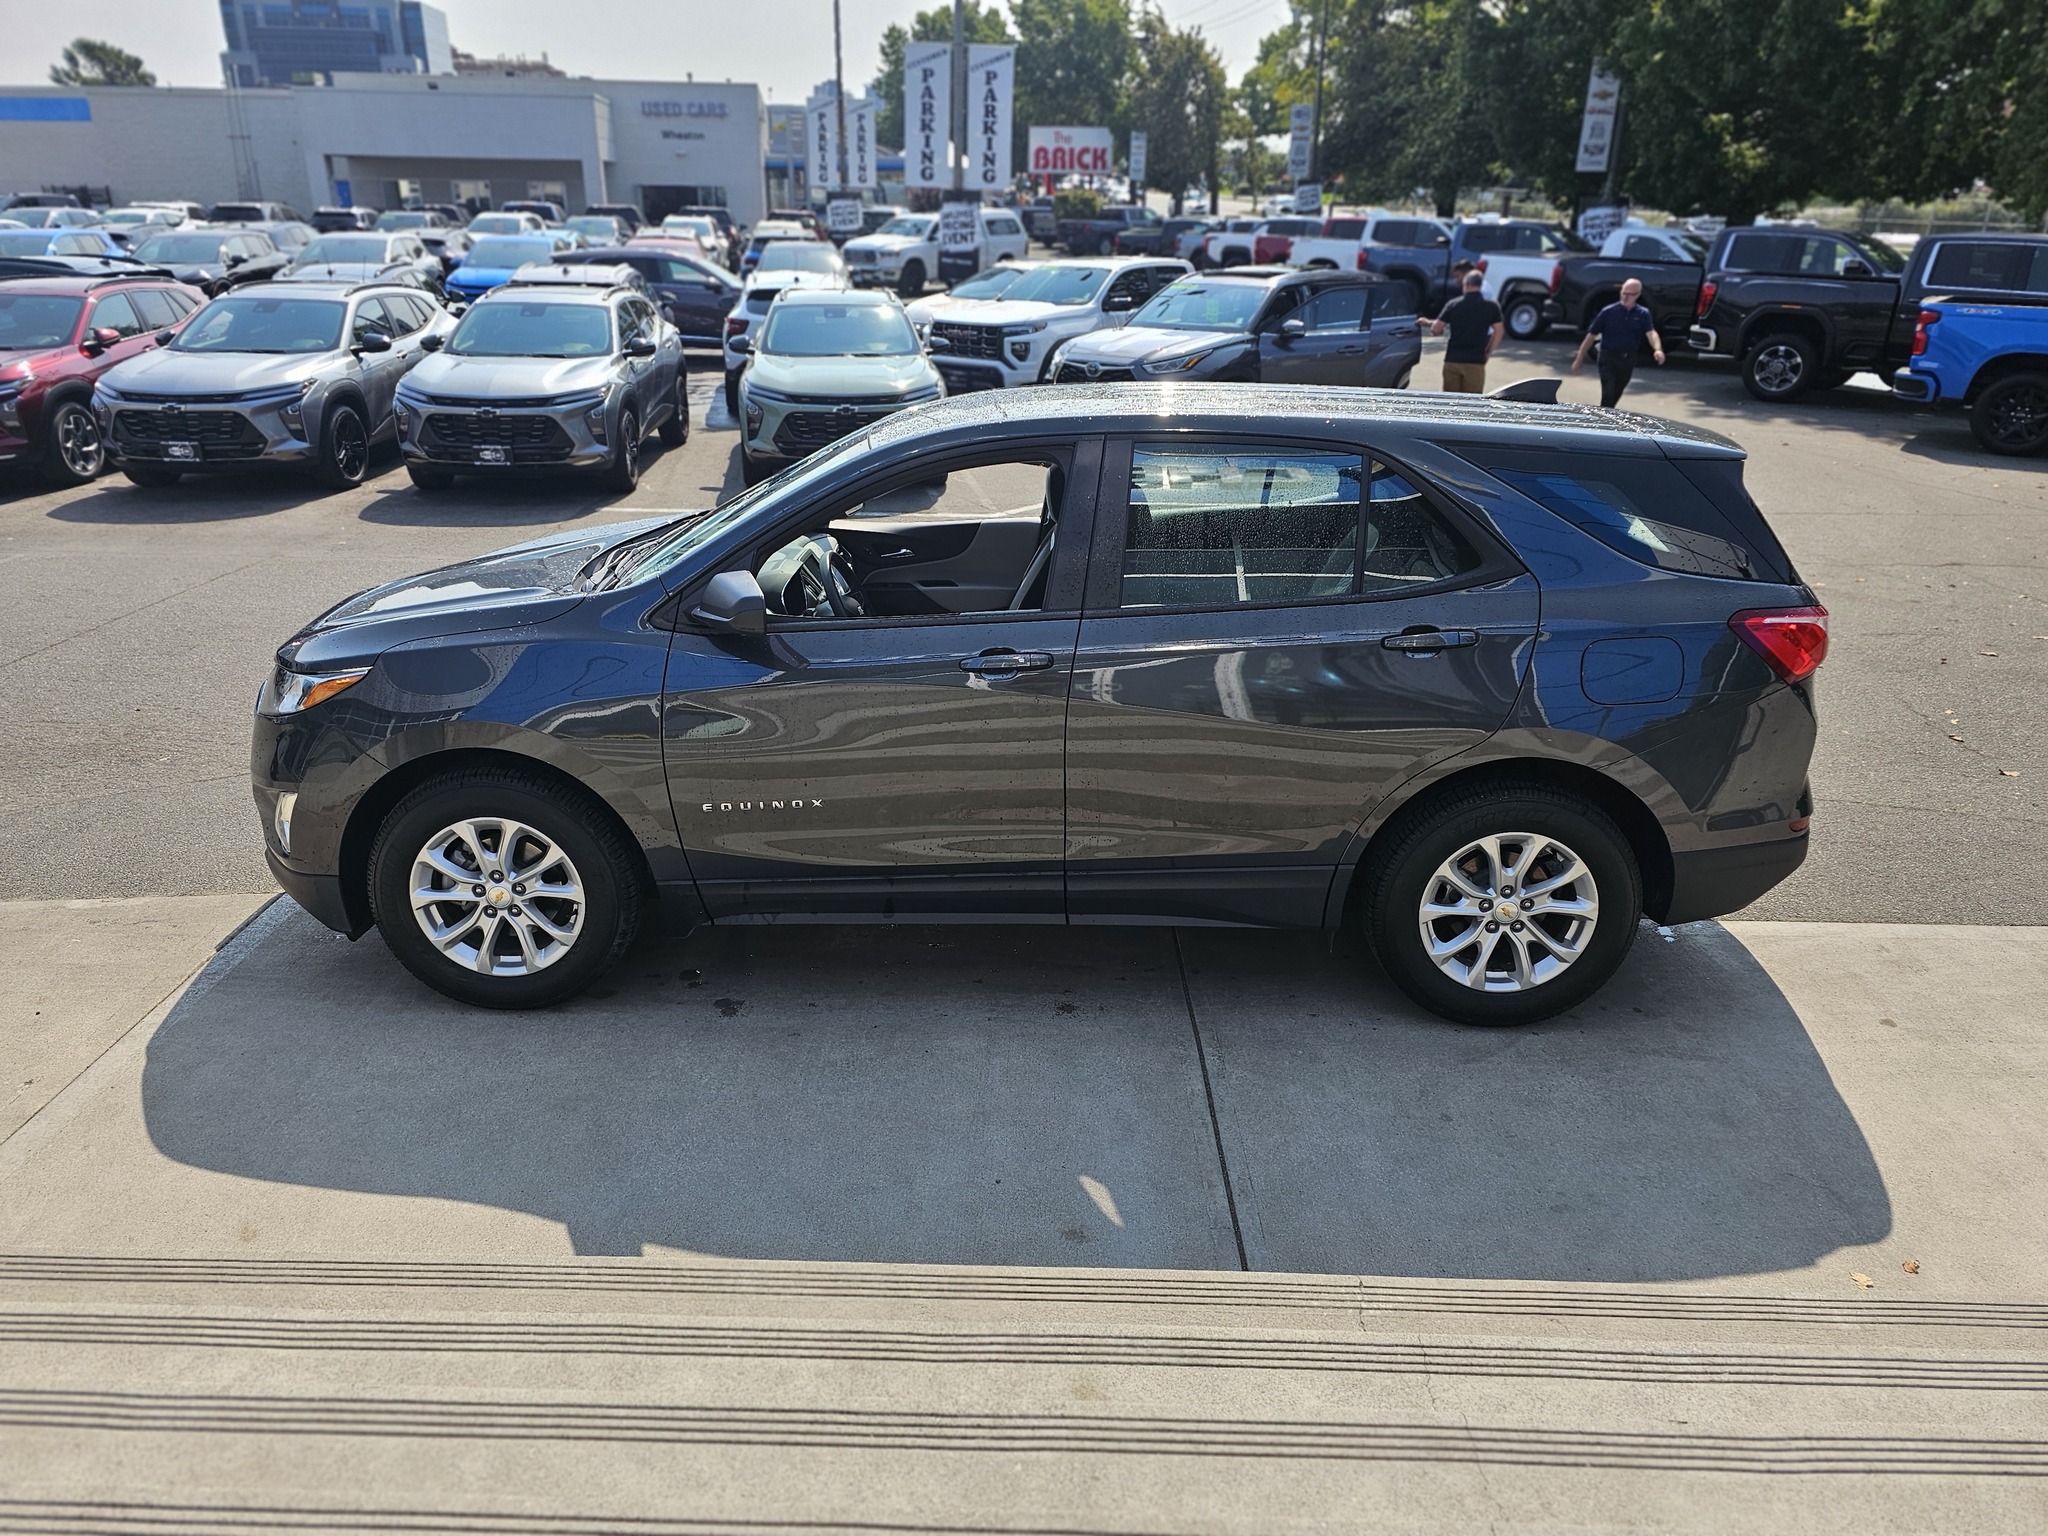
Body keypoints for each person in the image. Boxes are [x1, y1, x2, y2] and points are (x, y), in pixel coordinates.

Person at [1573, 277, 1666, 406]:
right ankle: (1603, 420)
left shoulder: (1643, 314)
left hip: (1628, 359)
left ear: (1638, 295)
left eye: (1630, 294)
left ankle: (1606, 416)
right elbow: (1591, 335)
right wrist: (1580, 357)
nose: (1625, 297)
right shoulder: (1608, 312)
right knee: (1608, 391)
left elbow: (1651, 333)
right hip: (1608, 357)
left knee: (1617, 391)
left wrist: (1658, 349)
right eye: (1623, 292)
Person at [1429, 269, 1503, 393]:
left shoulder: (1453, 304)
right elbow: (1499, 331)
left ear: (1467, 285)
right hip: (1476, 361)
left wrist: (1432, 327)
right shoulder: (1491, 307)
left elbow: (1437, 328)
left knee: (1450, 402)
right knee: (1472, 403)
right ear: (1479, 285)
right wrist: (1488, 351)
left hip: (1453, 360)